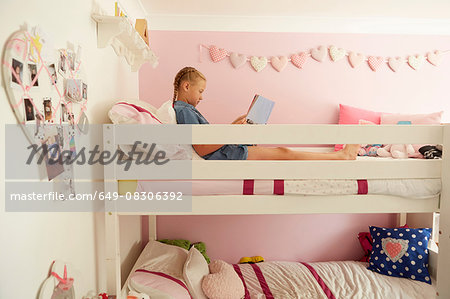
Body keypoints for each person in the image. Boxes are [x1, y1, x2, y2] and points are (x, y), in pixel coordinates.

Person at [172, 66, 359, 160]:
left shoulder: (187, 110)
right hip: (227, 154)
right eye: (200, 91)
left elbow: (205, 141)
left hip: (226, 149)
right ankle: (340, 156)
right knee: (283, 152)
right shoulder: (183, 110)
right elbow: (202, 148)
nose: (201, 97)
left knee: (282, 151)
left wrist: (234, 126)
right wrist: (232, 131)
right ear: (186, 86)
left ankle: (339, 156)